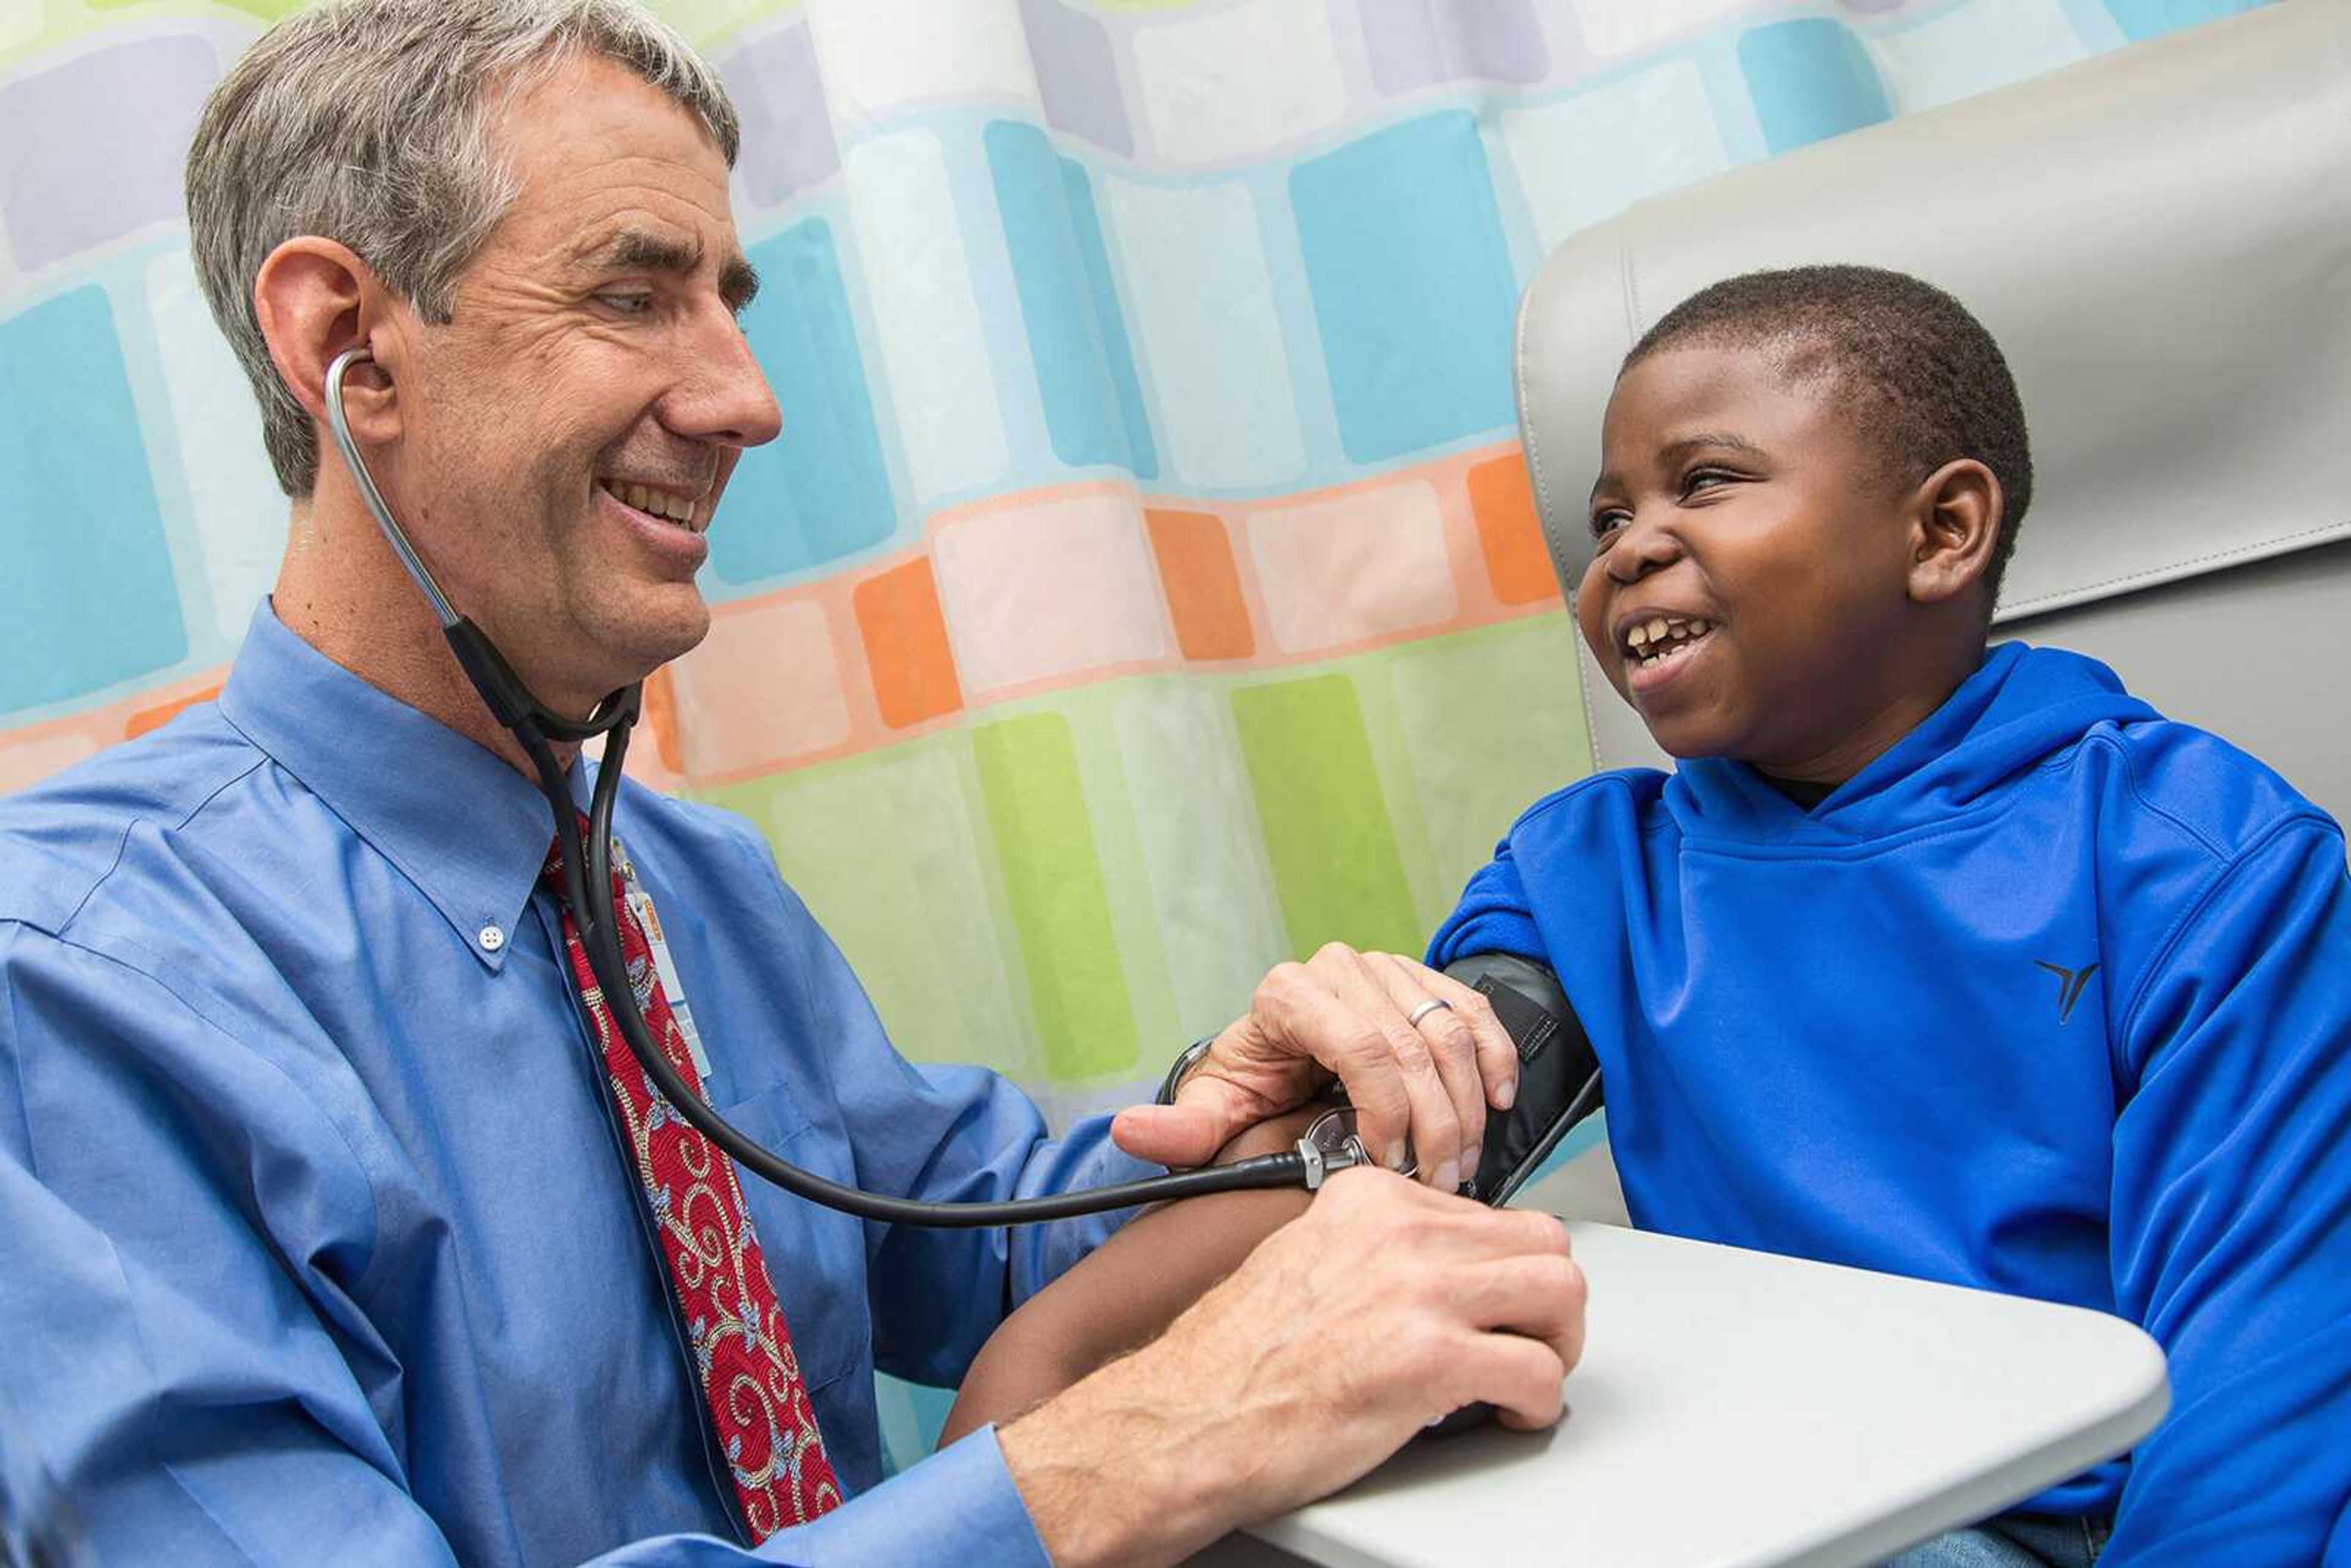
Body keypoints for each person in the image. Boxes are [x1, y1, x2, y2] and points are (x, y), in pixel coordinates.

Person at [0, 4, 1591, 1565]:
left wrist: (1234, 1119)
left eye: (729, 305)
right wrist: (1162, 1435)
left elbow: (978, 1233)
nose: (748, 401)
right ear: (348, 342)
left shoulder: (691, 884)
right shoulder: (70, 980)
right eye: (635, 295)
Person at [941, 266, 2351, 1566]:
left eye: (1708, 483)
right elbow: (1387, 1154)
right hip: (1745, 1491)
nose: (1627, 553)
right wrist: (1044, 1369)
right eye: (1608, 519)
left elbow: (2264, 1368)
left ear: (1943, 531)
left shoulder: (2195, 863)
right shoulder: (1587, 872)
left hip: (2069, 1519)